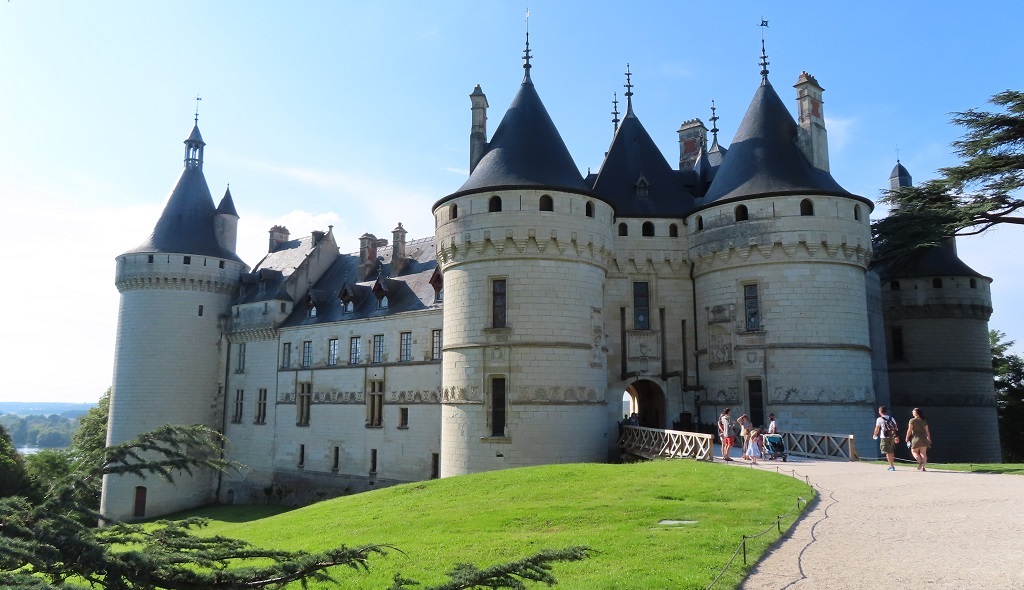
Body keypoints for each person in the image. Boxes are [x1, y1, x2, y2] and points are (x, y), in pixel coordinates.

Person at [873, 406, 901, 471]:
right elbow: (896, 428)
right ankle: (891, 465)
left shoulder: (879, 419)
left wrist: (875, 435)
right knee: (891, 451)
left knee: (887, 452)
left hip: (884, 437)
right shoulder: (891, 418)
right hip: (891, 436)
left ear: (880, 412)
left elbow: (877, 428)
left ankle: (891, 466)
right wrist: (896, 436)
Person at [906, 407, 932, 471]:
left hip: (916, 438)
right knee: (923, 453)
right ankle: (923, 466)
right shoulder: (924, 421)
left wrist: (907, 437)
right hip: (924, 438)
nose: (912, 412)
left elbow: (909, 430)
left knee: (914, 451)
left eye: (913, 412)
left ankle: (920, 462)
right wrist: (929, 438)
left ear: (916, 413)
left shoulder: (912, 420)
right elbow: (927, 431)